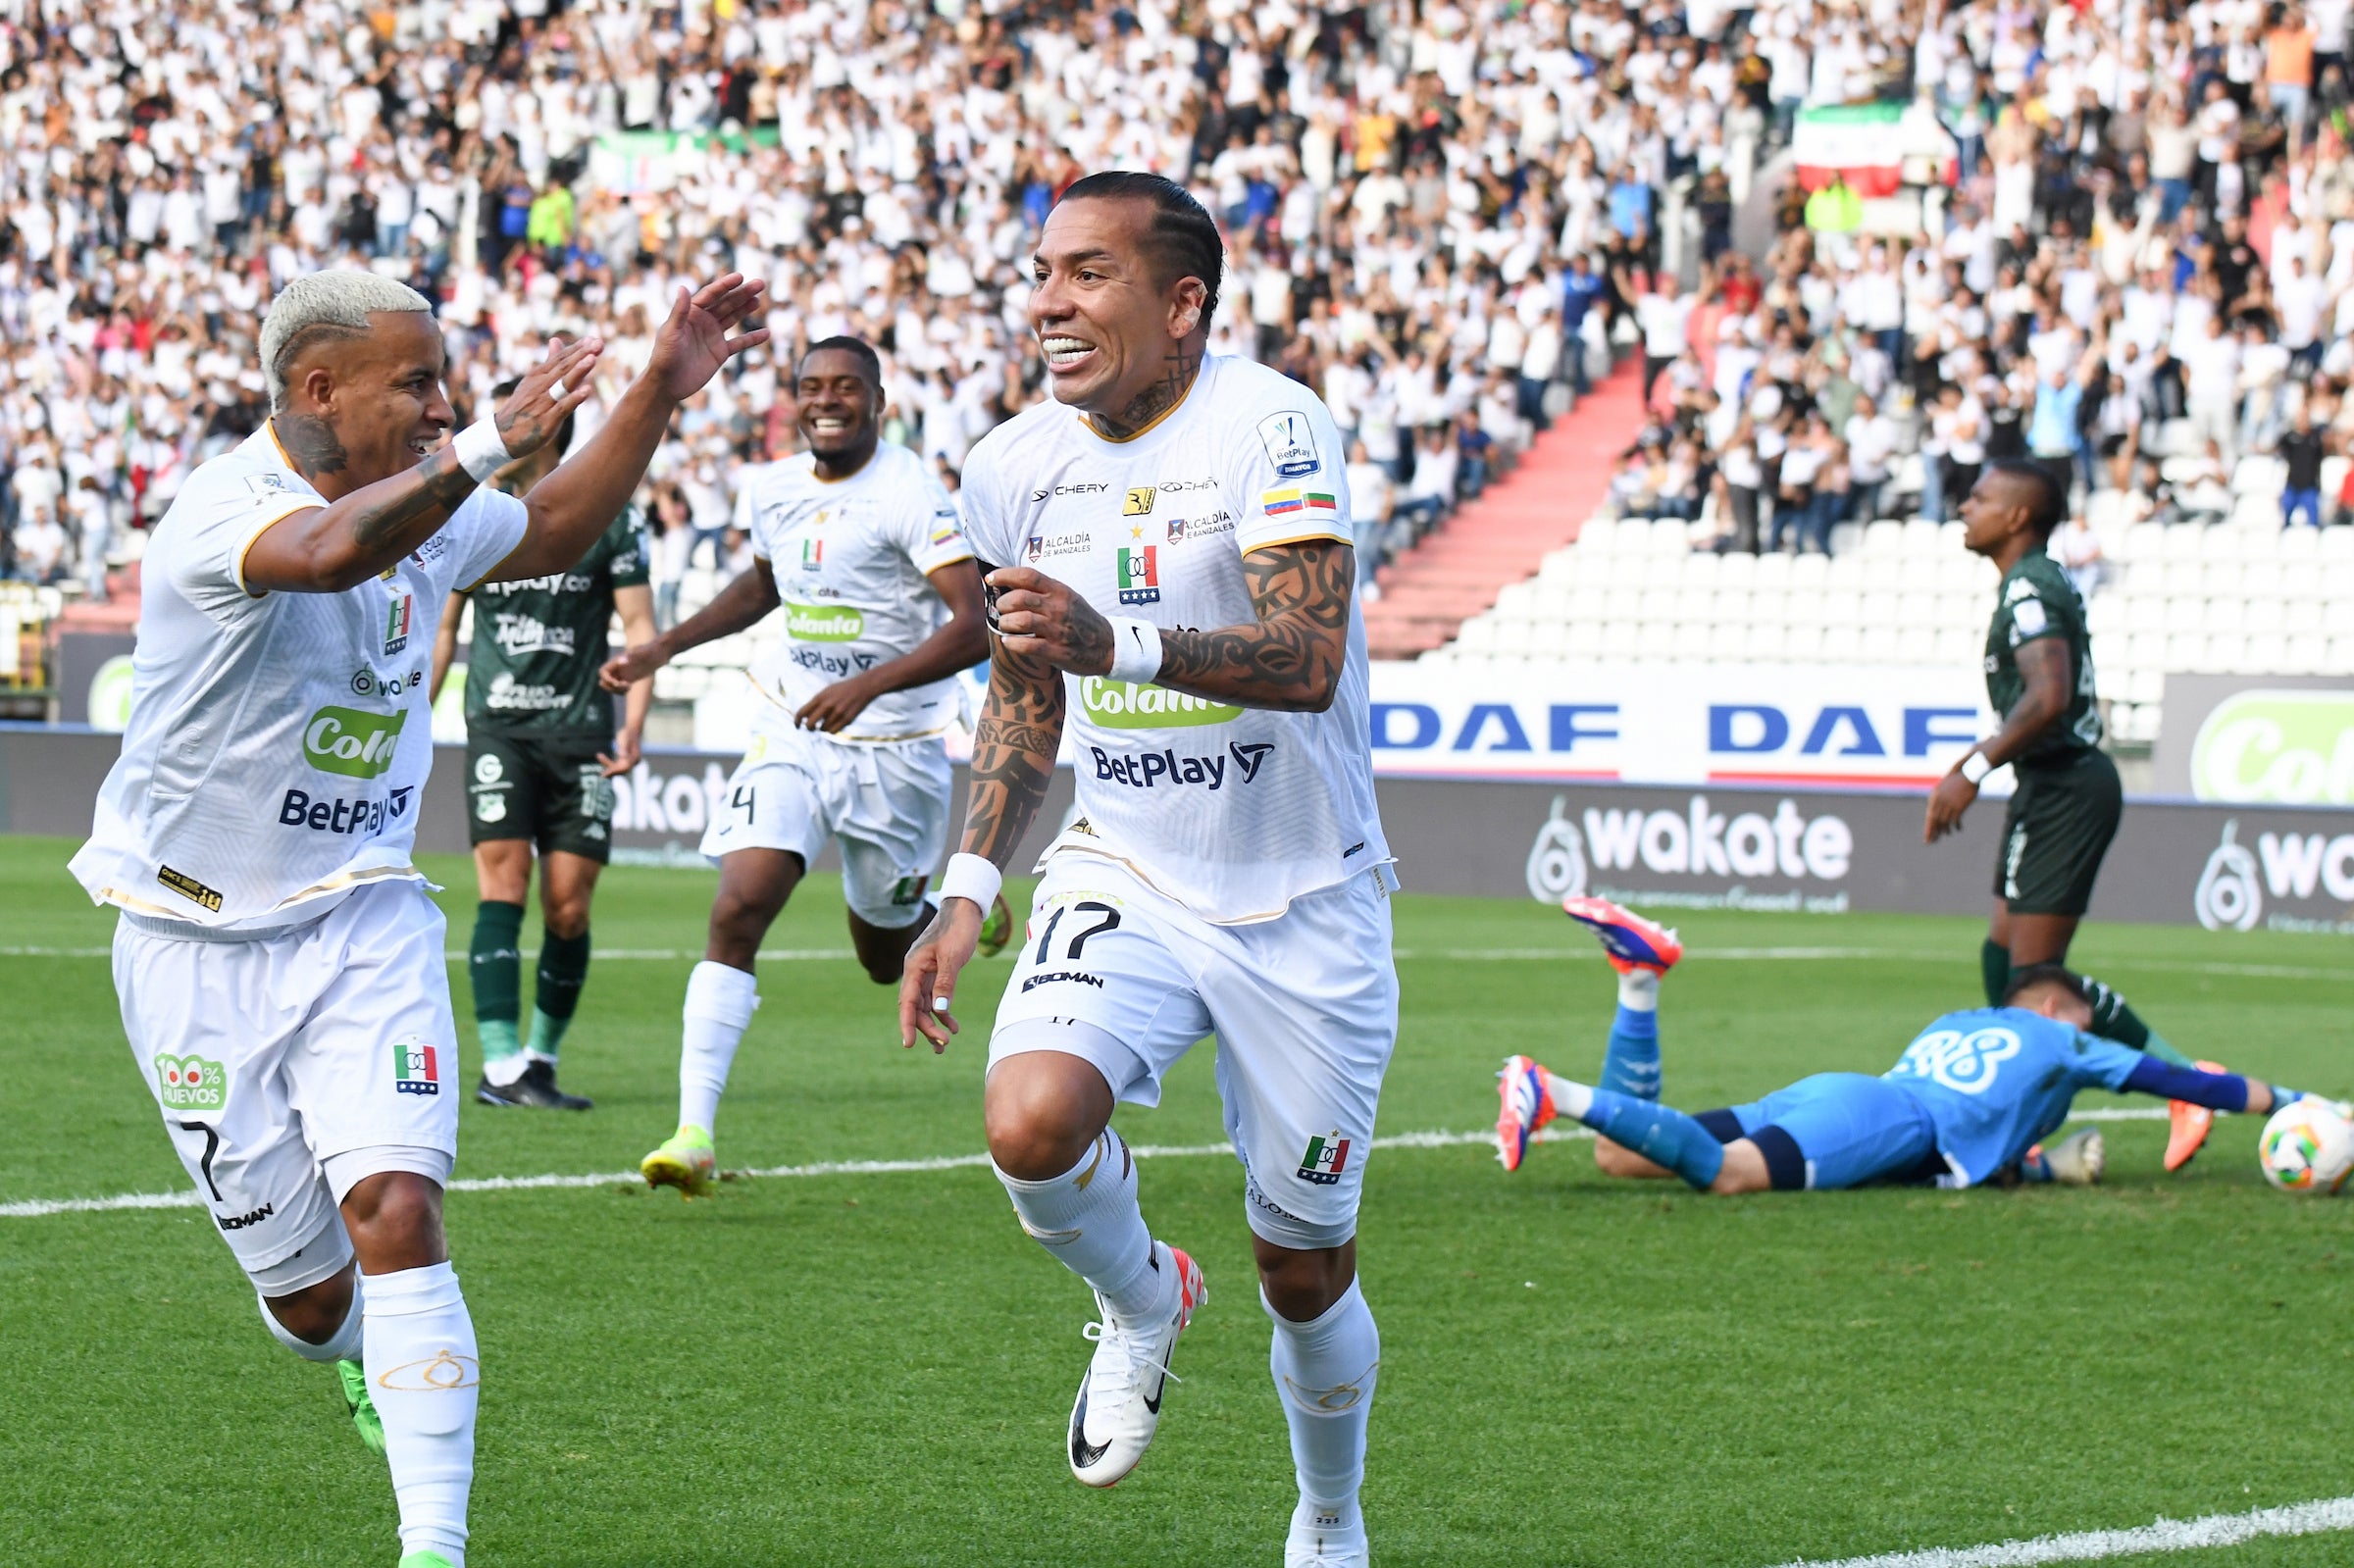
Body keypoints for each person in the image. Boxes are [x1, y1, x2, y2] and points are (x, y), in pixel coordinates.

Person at [66, 268, 766, 1568]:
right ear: (318, 388)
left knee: (397, 1205)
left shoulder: (427, 502)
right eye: (418, 382)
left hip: (362, 916)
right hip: (187, 944)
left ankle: (430, 1546)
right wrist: (491, 438)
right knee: (315, 1295)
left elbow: (551, 524)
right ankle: (350, 1350)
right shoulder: (229, 509)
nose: (443, 404)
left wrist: (659, 392)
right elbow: (334, 553)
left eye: (447, 382)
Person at [897, 172, 1396, 1568]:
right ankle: (1141, 1297)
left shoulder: (1268, 421)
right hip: (1126, 864)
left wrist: (1113, 636)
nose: (1049, 301)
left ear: (1182, 304)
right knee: (1030, 1122)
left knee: (1302, 1267)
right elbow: (1021, 693)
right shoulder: (1009, 467)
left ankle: (1329, 1512)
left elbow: (1304, 656)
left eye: (1089, 274)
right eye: (1043, 270)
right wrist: (970, 887)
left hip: (1306, 897)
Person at [601, 336, 1001, 1197]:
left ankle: (952, 910)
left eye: (847, 387)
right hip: (792, 728)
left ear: (879, 400)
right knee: (739, 905)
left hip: (893, 748)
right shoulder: (773, 487)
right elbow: (761, 587)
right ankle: (693, 1131)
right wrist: (660, 647)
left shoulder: (907, 492)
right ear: (794, 400)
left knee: (884, 956)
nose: (829, 400)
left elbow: (974, 624)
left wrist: (870, 685)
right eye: (812, 387)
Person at [1495, 898, 2317, 1194]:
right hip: (1883, 1118)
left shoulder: (1958, 1018)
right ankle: (1550, 1088)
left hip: (1842, 1093)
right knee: (1733, 1176)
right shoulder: (2070, 1044)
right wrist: (2293, 1101)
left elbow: (1972, 1128)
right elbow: (2189, 1081)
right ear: (2061, 1008)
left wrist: (2043, 1164)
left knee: (1621, 1160)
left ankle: (1638, 982)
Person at [1924, 460, 2221, 1170]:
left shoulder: (2030, 584)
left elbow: (2049, 693)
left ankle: (2186, 1083)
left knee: (2037, 977)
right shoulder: (2029, 583)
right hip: (2046, 783)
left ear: (2019, 516)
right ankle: (2017, 1113)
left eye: (1983, 497)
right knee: (2004, 957)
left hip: (2066, 784)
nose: (1967, 506)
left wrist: (1970, 768)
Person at [426, 380, 656, 1111]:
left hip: (581, 728)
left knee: (569, 908)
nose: (495, 433)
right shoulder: (467, 509)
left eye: (512, 420)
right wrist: (408, 715)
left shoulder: (610, 515)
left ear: (549, 428)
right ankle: (499, 1069)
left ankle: (540, 1059)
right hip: (498, 726)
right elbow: (442, 629)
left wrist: (635, 723)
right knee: (501, 886)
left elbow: (640, 630)